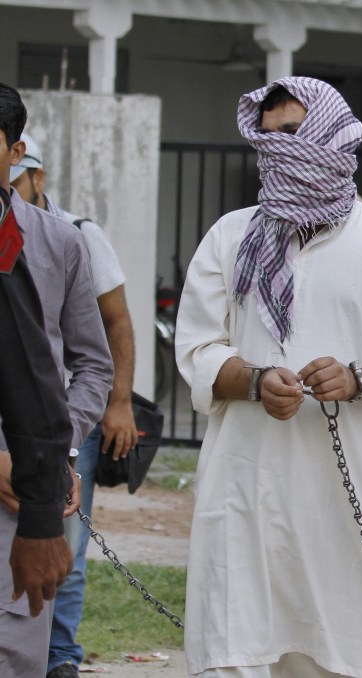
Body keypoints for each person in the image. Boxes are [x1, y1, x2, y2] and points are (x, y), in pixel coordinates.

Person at [175, 77, 362, 678]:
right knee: (238, 647)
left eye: (293, 133)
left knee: (347, 650)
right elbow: (196, 347)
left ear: (332, 133)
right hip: (247, 483)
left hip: (350, 493)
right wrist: (251, 379)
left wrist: (359, 380)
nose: (277, 147)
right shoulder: (231, 236)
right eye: (266, 136)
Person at [11, 131, 139, 678]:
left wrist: (117, 404)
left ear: (31, 172)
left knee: (65, 545)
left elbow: (110, 329)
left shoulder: (71, 239)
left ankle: (59, 656)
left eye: (17, 179)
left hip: (57, 429)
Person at [0, 82, 111, 677]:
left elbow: (91, 363)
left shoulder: (58, 242)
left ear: (15, 153)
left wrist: (54, 450)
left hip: (30, 482)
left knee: (20, 633)